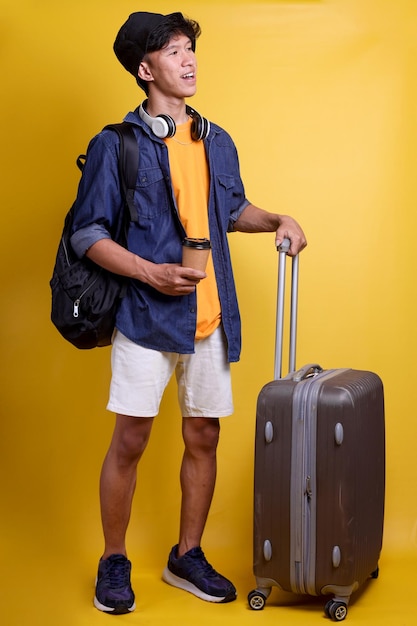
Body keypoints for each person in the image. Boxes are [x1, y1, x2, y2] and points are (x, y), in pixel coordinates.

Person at [70, 10, 307, 615]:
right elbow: (86, 234)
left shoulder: (216, 138)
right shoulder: (114, 145)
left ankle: (187, 555)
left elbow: (231, 210)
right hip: (145, 318)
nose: (189, 60)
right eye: (174, 52)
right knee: (132, 438)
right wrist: (150, 272)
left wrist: (279, 218)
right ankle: (113, 560)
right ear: (146, 69)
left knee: (205, 434)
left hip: (209, 316)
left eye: (190, 49)